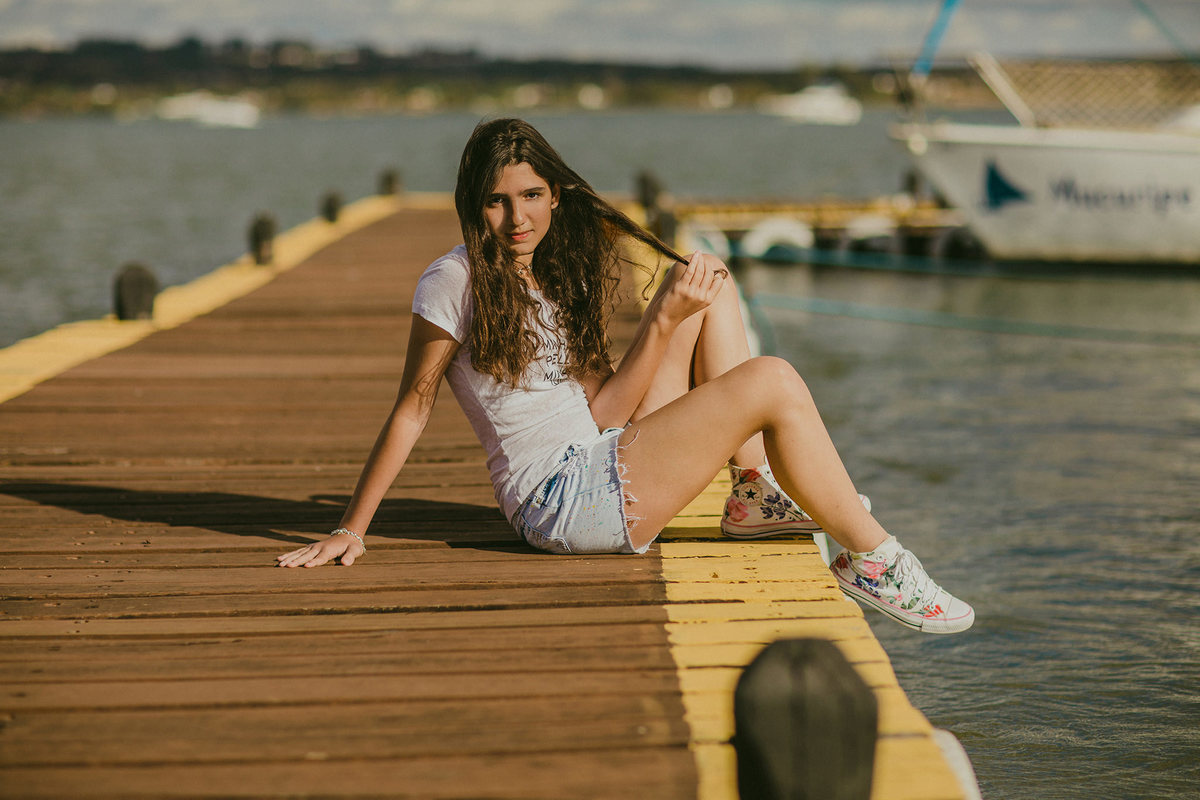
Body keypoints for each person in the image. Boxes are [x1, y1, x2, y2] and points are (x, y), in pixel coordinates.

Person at [277, 118, 973, 635]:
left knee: (709, 281)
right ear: (473, 203)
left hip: (600, 453)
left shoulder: (545, 278)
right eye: (496, 201)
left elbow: (607, 410)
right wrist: (352, 529)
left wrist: (673, 313)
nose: (515, 217)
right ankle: (874, 558)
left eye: (529, 195)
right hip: (557, 499)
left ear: (555, 196)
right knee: (773, 382)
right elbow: (413, 407)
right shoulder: (452, 282)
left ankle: (755, 492)